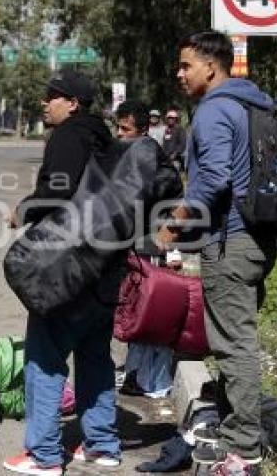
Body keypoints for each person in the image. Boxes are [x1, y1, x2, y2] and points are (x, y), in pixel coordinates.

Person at [157, 31, 277, 473]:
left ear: (213, 66)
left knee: (233, 344)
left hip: (231, 240)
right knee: (236, 337)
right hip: (259, 238)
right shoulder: (254, 104)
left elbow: (214, 178)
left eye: (187, 65)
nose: (180, 73)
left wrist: (174, 224)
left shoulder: (213, 111)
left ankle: (244, 447)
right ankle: (235, 429)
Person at [4, 69, 121, 475]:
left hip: (69, 268)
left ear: (72, 103)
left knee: (44, 354)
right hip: (107, 265)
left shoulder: (70, 136)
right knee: (94, 356)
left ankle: (44, 454)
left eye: (52, 96)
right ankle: (102, 445)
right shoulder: (106, 139)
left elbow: (58, 190)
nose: (45, 102)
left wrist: (23, 209)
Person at [115, 100, 175, 399]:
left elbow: (140, 195)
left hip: (150, 243)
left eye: (125, 129)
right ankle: (138, 373)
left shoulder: (147, 152)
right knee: (136, 308)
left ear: (142, 128)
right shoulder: (137, 151)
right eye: (117, 127)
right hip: (139, 241)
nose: (119, 134)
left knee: (147, 311)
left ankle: (153, 379)